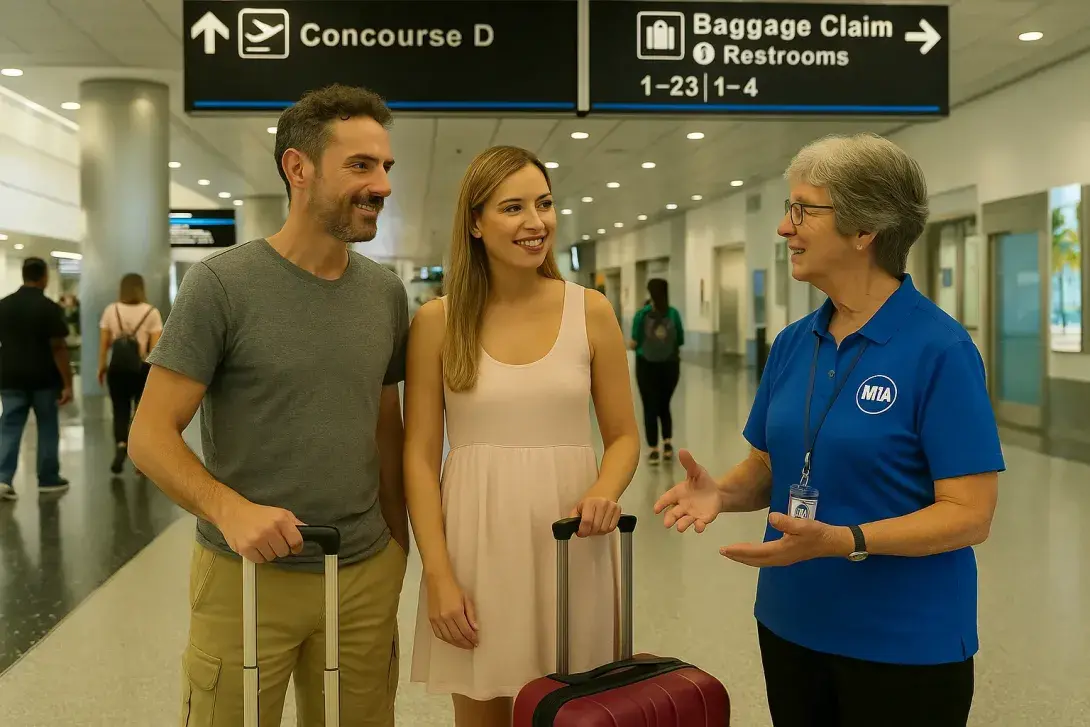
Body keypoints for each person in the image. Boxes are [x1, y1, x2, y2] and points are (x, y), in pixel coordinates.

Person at [654, 133, 1004, 727]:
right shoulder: (795, 343)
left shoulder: (940, 349)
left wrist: (846, 540)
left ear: (864, 230)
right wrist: (723, 492)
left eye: (802, 210)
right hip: (793, 623)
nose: (785, 228)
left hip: (903, 641)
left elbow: (969, 513)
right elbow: (769, 465)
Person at [129, 84, 410, 727]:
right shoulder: (221, 286)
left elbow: (384, 426)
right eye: (361, 165)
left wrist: (399, 545)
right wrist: (230, 510)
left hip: (362, 571)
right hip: (246, 574)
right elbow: (149, 436)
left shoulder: (385, 295)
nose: (382, 185)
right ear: (298, 168)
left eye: (386, 167)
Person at [404, 145, 640, 727]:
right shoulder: (440, 320)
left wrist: (604, 491)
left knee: (572, 707)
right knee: (482, 713)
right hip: (475, 546)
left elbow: (624, 436)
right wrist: (437, 573)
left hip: (570, 543)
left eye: (545, 204)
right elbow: (417, 453)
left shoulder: (591, 311)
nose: (536, 223)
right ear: (476, 223)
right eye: (513, 208)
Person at [0, 257, 72, 500]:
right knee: (48, 426)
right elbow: (58, 348)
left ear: (23, 275)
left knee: (9, 426)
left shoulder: (4, 305)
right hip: (44, 378)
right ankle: (48, 478)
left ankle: (2, 479)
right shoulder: (49, 308)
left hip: (10, 377)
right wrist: (68, 383)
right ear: (43, 277)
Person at [97, 273, 163, 474]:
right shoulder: (151, 312)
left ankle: (120, 445)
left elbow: (104, 344)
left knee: (119, 411)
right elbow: (155, 349)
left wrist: (101, 367)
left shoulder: (111, 310)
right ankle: (139, 460)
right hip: (141, 369)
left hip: (117, 369)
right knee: (140, 413)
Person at [629, 277, 684, 465]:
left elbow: (634, 341)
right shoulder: (674, 314)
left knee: (649, 406)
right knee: (664, 404)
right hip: (670, 366)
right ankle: (667, 444)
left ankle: (653, 449)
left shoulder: (642, 314)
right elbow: (681, 340)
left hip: (646, 366)